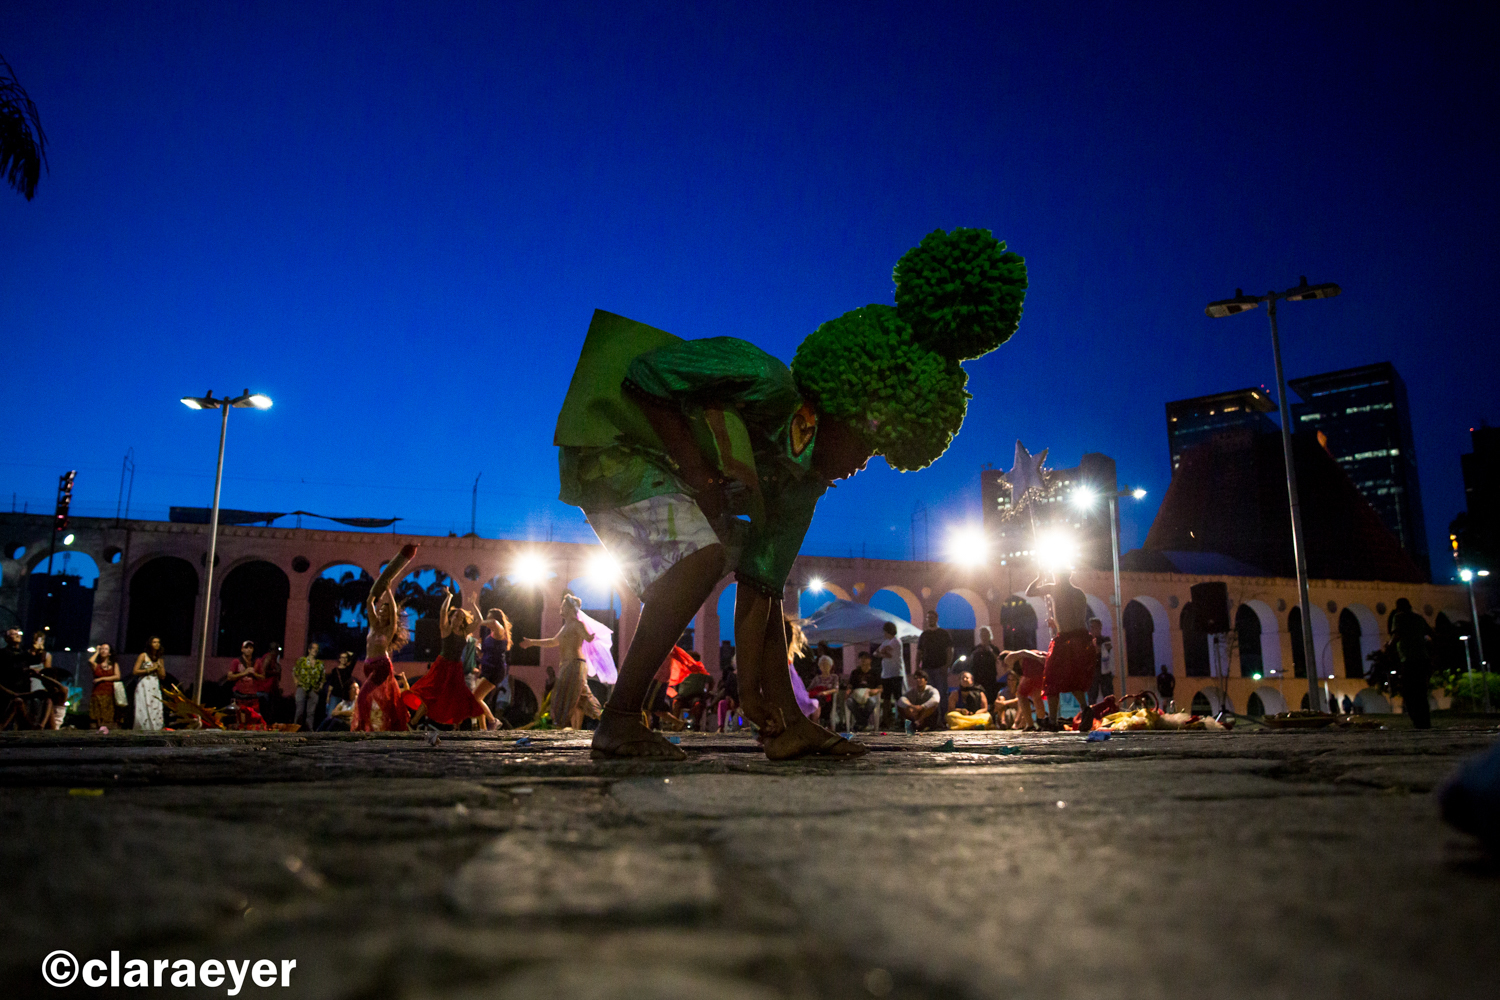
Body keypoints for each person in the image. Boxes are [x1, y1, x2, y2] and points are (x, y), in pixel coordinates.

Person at [550, 228, 1026, 759]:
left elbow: (762, 588)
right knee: (703, 560)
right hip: (612, 442)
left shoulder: (803, 486)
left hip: (669, 474)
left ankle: (787, 728)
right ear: (843, 404)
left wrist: (764, 700)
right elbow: (646, 375)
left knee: (737, 569)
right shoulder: (763, 379)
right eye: (868, 442)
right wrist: (703, 478)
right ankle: (619, 718)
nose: (863, 464)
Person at [407, 589, 497, 729]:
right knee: (431, 695)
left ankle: (477, 727)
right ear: (452, 617)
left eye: (461, 617)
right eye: (455, 615)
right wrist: (449, 597)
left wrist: (473, 604)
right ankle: (413, 723)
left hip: (456, 668)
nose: (457, 618)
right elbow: (443, 612)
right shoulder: (446, 629)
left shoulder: (464, 632)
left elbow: (479, 620)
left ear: (462, 621)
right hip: (442, 666)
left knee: (460, 697)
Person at [353, 544, 420, 732]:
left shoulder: (389, 630)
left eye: (385, 611)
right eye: (381, 610)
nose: (382, 612)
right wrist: (377, 589)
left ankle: (361, 728)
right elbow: (369, 602)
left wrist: (389, 590)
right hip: (368, 665)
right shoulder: (374, 625)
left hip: (381, 666)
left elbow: (393, 612)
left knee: (363, 695)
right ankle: (392, 728)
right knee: (381, 701)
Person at [521, 594, 603, 730]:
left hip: (575, 665)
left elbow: (587, 636)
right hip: (568, 666)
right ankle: (605, 717)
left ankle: (560, 724)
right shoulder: (565, 626)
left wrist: (589, 637)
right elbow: (553, 641)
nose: (561, 607)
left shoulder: (577, 624)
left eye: (564, 605)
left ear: (570, 609)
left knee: (564, 696)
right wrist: (532, 642)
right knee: (583, 698)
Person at [1027, 569, 1097, 731]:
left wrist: (1039, 577)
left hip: (1066, 639)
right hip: (1081, 638)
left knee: (1052, 677)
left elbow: (1029, 592)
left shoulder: (1055, 588)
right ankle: (1085, 708)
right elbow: (1073, 616)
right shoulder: (1079, 592)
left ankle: (1052, 720)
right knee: (1073, 677)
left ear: (1057, 576)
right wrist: (1058, 623)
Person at [1388, 597, 1433, 729]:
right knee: (1421, 692)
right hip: (1423, 659)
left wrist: (1389, 647)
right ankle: (1425, 721)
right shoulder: (1418, 618)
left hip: (1409, 660)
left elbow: (1396, 635)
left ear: (1398, 607)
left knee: (1409, 692)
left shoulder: (1399, 617)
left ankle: (1417, 721)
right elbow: (1431, 633)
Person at [472, 605, 512, 724]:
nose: (487, 622)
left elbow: (492, 622)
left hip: (495, 669)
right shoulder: (490, 635)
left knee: (475, 697)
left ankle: (493, 721)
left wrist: (481, 621)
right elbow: (483, 655)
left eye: (489, 618)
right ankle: (483, 728)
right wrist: (478, 650)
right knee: (477, 699)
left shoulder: (500, 631)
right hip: (488, 668)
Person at [917, 610, 954, 727]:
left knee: (942, 694)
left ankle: (943, 720)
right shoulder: (924, 635)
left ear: (936, 619)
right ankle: (931, 721)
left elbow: (949, 650)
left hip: (940, 668)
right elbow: (919, 652)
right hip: (927, 669)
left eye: (932, 618)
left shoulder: (943, 633)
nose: (930, 620)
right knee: (929, 696)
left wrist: (947, 666)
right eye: (928, 618)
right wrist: (918, 668)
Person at [1002, 649, 1045, 730]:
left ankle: (1030, 724)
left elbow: (1023, 652)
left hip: (1034, 665)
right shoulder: (1018, 664)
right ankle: (1042, 722)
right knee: (1036, 696)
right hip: (1038, 666)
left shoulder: (1008, 658)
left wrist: (1038, 658)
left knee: (1021, 694)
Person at [131, 636, 167, 732]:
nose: (156, 644)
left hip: (154, 684)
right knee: (143, 707)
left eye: (158, 642)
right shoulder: (143, 656)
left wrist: (159, 667)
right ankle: (143, 729)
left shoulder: (160, 659)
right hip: (144, 684)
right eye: (154, 642)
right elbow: (135, 671)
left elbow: (162, 676)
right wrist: (150, 669)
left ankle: (155, 728)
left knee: (155, 706)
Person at [877, 621, 906, 727]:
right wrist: (881, 653)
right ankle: (886, 720)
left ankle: (903, 719)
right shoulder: (886, 642)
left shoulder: (896, 641)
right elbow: (878, 652)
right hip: (886, 673)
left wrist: (881, 653)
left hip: (895, 673)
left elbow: (886, 653)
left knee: (898, 697)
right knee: (886, 697)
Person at [292, 642, 326, 732]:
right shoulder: (302, 661)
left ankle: (309, 730)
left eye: (316, 649)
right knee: (299, 710)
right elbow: (295, 671)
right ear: (309, 650)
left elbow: (323, 677)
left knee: (311, 712)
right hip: (302, 686)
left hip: (314, 688)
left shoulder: (319, 664)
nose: (315, 650)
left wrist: (320, 687)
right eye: (313, 648)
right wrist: (296, 681)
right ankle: (296, 728)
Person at [845, 651, 883, 731]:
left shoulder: (875, 673)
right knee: (849, 702)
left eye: (865, 658)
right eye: (861, 658)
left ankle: (859, 723)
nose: (863, 660)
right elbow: (850, 685)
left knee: (872, 702)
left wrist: (874, 691)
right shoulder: (855, 672)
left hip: (870, 696)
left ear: (870, 660)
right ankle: (863, 722)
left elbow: (880, 688)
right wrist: (848, 690)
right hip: (856, 696)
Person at [88, 642, 121, 730]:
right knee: (95, 718)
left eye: (106, 649)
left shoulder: (114, 664)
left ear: (109, 653)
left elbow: (117, 676)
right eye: (102, 649)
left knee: (107, 718)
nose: (103, 651)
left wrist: (102, 679)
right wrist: (97, 651)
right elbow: (90, 661)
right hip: (97, 694)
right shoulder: (97, 665)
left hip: (109, 694)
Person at [968, 627, 1001, 712]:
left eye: (986, 634)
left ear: (989, 635)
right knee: (979, 697)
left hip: (990, 678)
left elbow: (999, 660)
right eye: (982, 634)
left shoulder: (994, 648)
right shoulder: (975, 648)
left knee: (991, 697)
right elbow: (970, 661)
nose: (984, 636)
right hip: (978, 677)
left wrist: (990, 651)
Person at [807, 654, 841, 726]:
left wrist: (825, 692)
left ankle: (816, 722)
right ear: (819, 666)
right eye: (822, 664)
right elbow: (809, 689)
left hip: (827, 700)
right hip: (816, 698)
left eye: (826, 664)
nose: (824, 666)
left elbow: (836, 689)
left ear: (830, 666)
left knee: (818, 701)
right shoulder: (817, 678)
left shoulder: (834, 677)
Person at [715, 657, 741, 732]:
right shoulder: (731, 675)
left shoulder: (747, 677)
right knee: (722, 703)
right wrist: (731, 699)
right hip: (733, 700)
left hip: (743, 700)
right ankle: (721, 726)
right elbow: (728, 690)